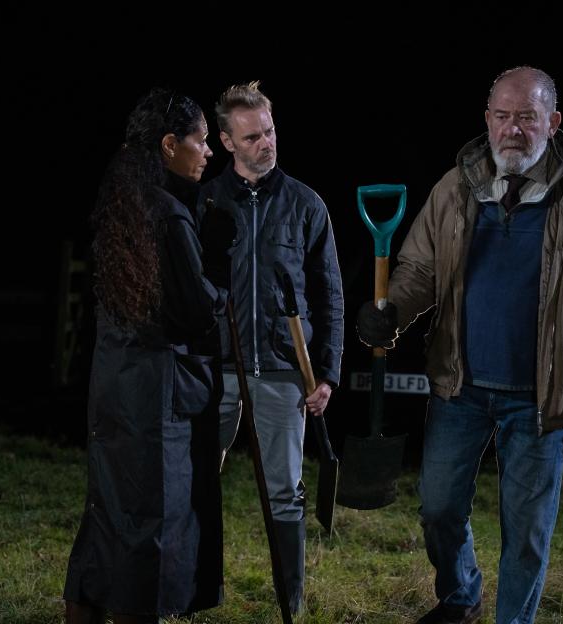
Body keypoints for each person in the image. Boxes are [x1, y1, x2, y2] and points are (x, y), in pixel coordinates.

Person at [357, 66, 563, 624]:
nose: (514, 130)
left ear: (553, 123)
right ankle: (461, 596)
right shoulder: (455, 188)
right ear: (487, 121)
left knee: (527, 531)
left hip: (542, 399)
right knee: (438, 508)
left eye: (527, 118)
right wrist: (392, 312)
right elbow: (418, 269)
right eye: (504, 117)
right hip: (460, 386)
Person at [64, 88, 225, 624]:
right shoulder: (170, 217)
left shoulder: (121, 206)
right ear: (168, 144)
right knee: (153, 519)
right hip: (154, 393)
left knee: (106, 510)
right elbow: (195, 311)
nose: (208, 151)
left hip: (111, 381)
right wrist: (220, 293)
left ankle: (85, 609)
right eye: (200, 140)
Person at [198, 80, 344, 615]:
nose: (266, 143)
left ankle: (293, 603)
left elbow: (329, 293)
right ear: (227, 140)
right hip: (217, 369)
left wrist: (325, 372)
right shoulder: (206, 202)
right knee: (195, 480)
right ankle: (196, 590)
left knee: (286, 492)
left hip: (285, 370)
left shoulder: (306, 205)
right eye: (252, 135)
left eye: (270, 131)